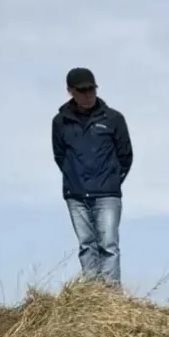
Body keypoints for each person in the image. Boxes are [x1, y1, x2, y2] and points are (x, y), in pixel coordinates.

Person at [52, 67, 133, 286]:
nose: (88, 94)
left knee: (108, 245)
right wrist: (74, 177)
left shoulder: (113, 119)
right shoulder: (60, 122)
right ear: (70, 91)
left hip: (107, 193)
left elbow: (125, 155)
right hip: (75, 195)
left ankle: (110, 299)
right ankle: (91, 295)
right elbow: (60, 156)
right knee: (86, 244)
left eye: (91, 89)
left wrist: (112, 180)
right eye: (82, 90)